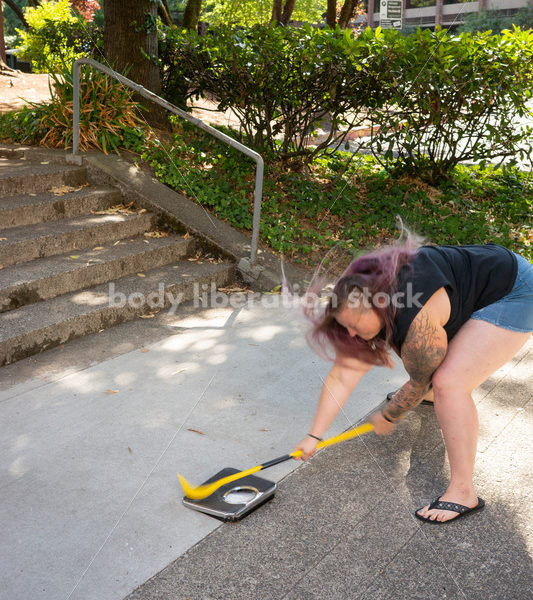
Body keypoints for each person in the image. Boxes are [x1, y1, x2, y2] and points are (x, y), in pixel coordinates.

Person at [293, 234, 533, 523]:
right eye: (346, 326)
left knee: (448, 383)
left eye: (355, 324)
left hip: (514, 290)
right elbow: (342, 377)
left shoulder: (414, 319)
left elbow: (418, 383)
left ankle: (463, 491)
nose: (352, 334)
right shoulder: (359, 293)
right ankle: (437, 391)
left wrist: (390, 415)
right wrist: (313, 436)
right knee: (430, 366)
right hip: (476, 281)